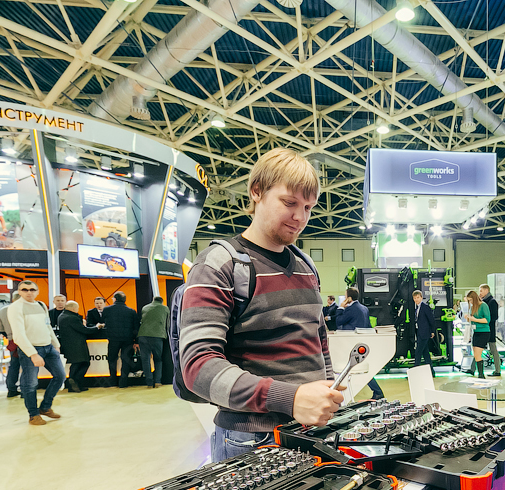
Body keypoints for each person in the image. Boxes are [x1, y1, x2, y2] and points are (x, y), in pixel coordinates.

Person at [180, 147, 341, 462]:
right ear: (256, 192)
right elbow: (198, 367)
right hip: (251, 440)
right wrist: (290, 398)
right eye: (289, 203)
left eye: (308, 207)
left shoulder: (306, 265)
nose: (300, 217)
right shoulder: (220, 263)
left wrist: (327, 392)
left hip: (311, 432)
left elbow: (318, 339)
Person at [8, 280, 65, 425]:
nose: (29, 292)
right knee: (30, 383)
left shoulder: (41, 305)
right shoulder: (15, 307)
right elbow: (18, 335)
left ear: (37, 291)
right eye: (25, 290)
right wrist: (33, 354)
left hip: (48, 347)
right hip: (31, 349)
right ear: (19, 292)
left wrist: (56, 344)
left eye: (32, 289)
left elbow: (48, 326)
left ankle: (45, 407)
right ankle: (33, 414)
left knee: (60, 376)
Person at [336, 287, 386, 399]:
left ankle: (377, 391)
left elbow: (338, 321)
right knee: (361, 368)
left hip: (351, 343)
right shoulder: (364, 308)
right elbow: (368, 326)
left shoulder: (350, 309)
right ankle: (377, 391)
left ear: (349, 298)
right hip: (362, 342)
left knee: (354, 367)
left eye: (345, 296)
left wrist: (341, 308)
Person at [57, 300, 102, 392]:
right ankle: (74, 381)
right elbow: (84, 330)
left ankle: (75, 384)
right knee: (84, 363)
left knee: (76, 364)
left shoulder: (62, 316)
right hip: (77, 344)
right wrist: (97, 327)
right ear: (73, 308)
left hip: (68, 344)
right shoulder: (72, 318)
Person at [102, 291, 140, 388]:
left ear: (114, 299)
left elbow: (103, 322)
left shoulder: (107, 309)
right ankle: (123, 382)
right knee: (126, 359)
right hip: (128, 339)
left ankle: (113, 381)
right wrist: (136, 340)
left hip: (113, 338)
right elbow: (136, 327)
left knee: (112, 359)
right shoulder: (131, 311)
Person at [138, 296, 169, 388]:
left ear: (153, 300)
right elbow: (168, 322)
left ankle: (149, 383)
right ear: (161, 301)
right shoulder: (165, 308)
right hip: (157, 336)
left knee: (145, 360)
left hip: (143, 335)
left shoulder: (145, 307)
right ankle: (157, 381)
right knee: (158, 359)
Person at [0, 291, 22, 397]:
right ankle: (26, 390)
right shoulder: (24, 309)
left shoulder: (2, 310)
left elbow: (0, 328)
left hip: (12, 340)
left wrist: (9, 335)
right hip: (26, 339)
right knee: (27, 366)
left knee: (13, 365)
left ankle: (11, 389)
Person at [465, 290, 491, 378]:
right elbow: (472, 320)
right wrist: (468, 318)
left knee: (477, 354)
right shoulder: (473, 307)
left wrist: (474, 319)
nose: (470, 302)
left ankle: (481, 374)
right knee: (475, 354)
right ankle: (480, 373)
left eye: (471, 300)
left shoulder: (483, 305)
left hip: (483, 332)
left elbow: (487, 320)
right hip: (476, 332)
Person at [412, 289, 436, 376]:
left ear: (421, 298)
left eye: (418, 297)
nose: (416, 299)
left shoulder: (425, 307)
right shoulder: (416, 308)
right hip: (419, 332)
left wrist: (432, 331)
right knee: (425, 354)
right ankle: (431, 372)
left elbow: (431, 320)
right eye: (415, 298)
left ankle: (415, 372)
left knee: (418, 352)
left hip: (425, 333)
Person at [479, 284, 502, 377]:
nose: (480, 293)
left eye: (481, 291)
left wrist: (484, 320)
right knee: (478, 348)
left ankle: (497, 370)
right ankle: (473, 369)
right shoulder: (484, 302)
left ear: (486, 290)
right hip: (483, 329)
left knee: (493, 350)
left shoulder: (492, 302)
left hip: (489, 329)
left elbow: (494, 317)